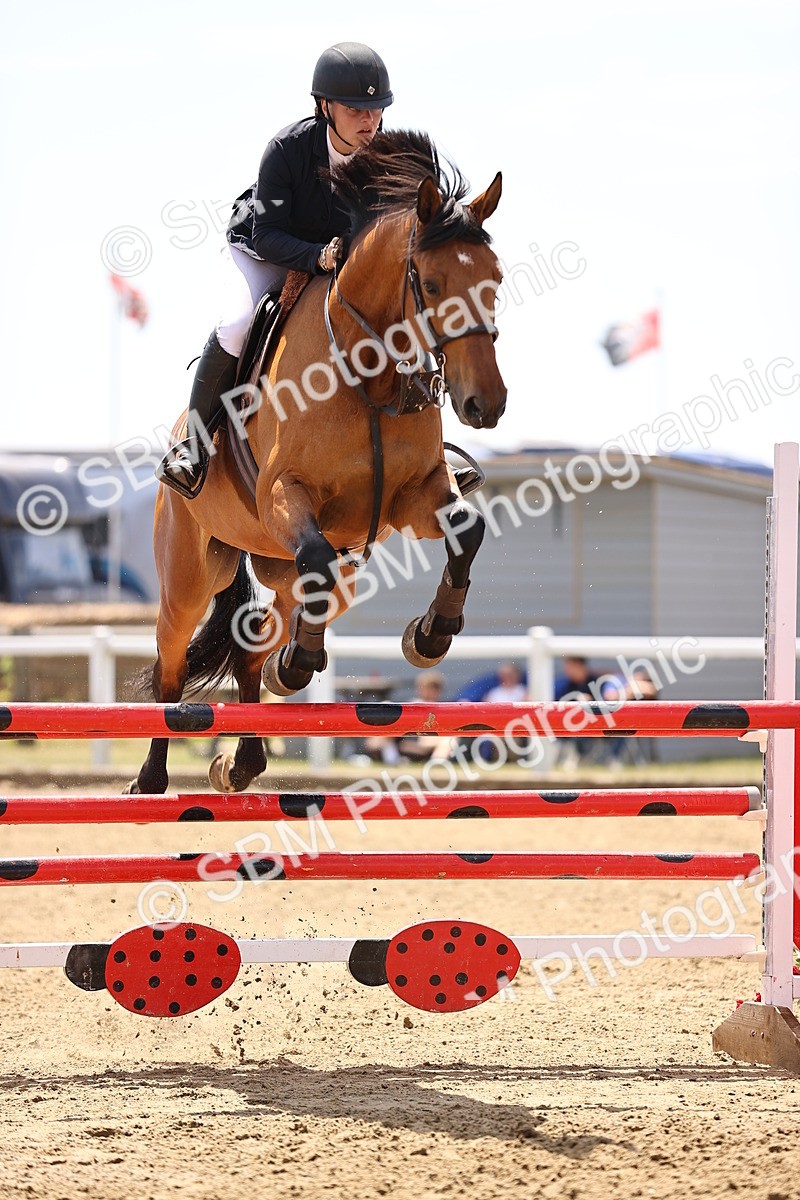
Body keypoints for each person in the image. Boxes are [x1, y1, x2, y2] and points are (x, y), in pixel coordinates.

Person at [156, 42, 393, 498]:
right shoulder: (286, 150)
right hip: (264, 250)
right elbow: (267, 234)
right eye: (355, 109)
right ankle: (195, 447)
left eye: (376, 109)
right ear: (325, 107)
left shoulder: (382, 159)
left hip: (333, 263)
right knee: (237, 324)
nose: (369, 121)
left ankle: (429, 456)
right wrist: (317, 257)